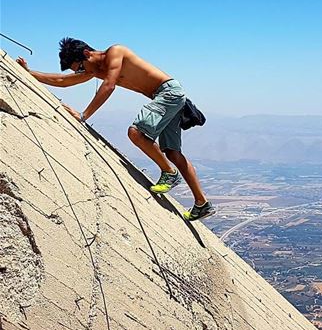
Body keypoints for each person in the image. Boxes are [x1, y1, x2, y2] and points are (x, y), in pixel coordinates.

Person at [17, 38, 214, 221]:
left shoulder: (115, 52)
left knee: (136, 132)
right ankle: (201, 204)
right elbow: (62, 81)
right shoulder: (94, 69)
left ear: (87, 54)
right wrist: (29, 72)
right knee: (172, 151)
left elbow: (109, 85)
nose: (79, 73)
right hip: (166, 96)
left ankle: (169, 174)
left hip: (167, 92)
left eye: (79, 68)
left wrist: (83, 116)